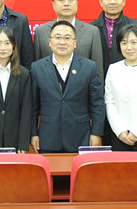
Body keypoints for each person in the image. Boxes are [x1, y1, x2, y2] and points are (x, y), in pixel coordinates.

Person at [30, 20, 104, 153]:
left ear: (75, 43)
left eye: (67, 38)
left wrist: (96, 133)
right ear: (50, 42)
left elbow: (97, 104)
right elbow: (33, 106)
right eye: (57, 37)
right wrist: (33, 133)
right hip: (48, 138)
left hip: (81, 137)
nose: (62, 42)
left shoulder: (89, 67)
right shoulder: (37, 67)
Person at [34, 0, 104, 82]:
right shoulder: (41, 31)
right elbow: (37, 68)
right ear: (53, 4)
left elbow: (98, 70)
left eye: (71, 0)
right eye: (61, 0)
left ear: (77, 3)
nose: (66, 3)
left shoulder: (92, 32)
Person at [89, 0, 137, 78]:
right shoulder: (91, 28)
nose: (112, 2)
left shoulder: (135, 25)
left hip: (129, 78)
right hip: (98, 80)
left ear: (124, 1)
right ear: (101, 1)